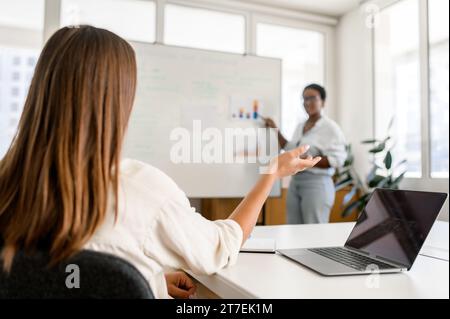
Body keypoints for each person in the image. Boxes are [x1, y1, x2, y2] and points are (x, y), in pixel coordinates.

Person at [0, 26, 321, 299]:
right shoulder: (141, 190)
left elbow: (51, 275)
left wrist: (140, 280)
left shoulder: (8, 184)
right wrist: (272, 173)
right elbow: (222, 247)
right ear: (117, 102)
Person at [264, 84, 347, 224]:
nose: (307, 102)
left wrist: (306, 160)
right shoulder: (300, 126)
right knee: (293, 229)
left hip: (317, 184)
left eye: (312, 98)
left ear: (323, 101)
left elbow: (338, 159)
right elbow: (290, 147)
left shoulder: (330, 128)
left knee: (314, 232)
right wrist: (275, 130)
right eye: (304, 99)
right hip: (296, 183)